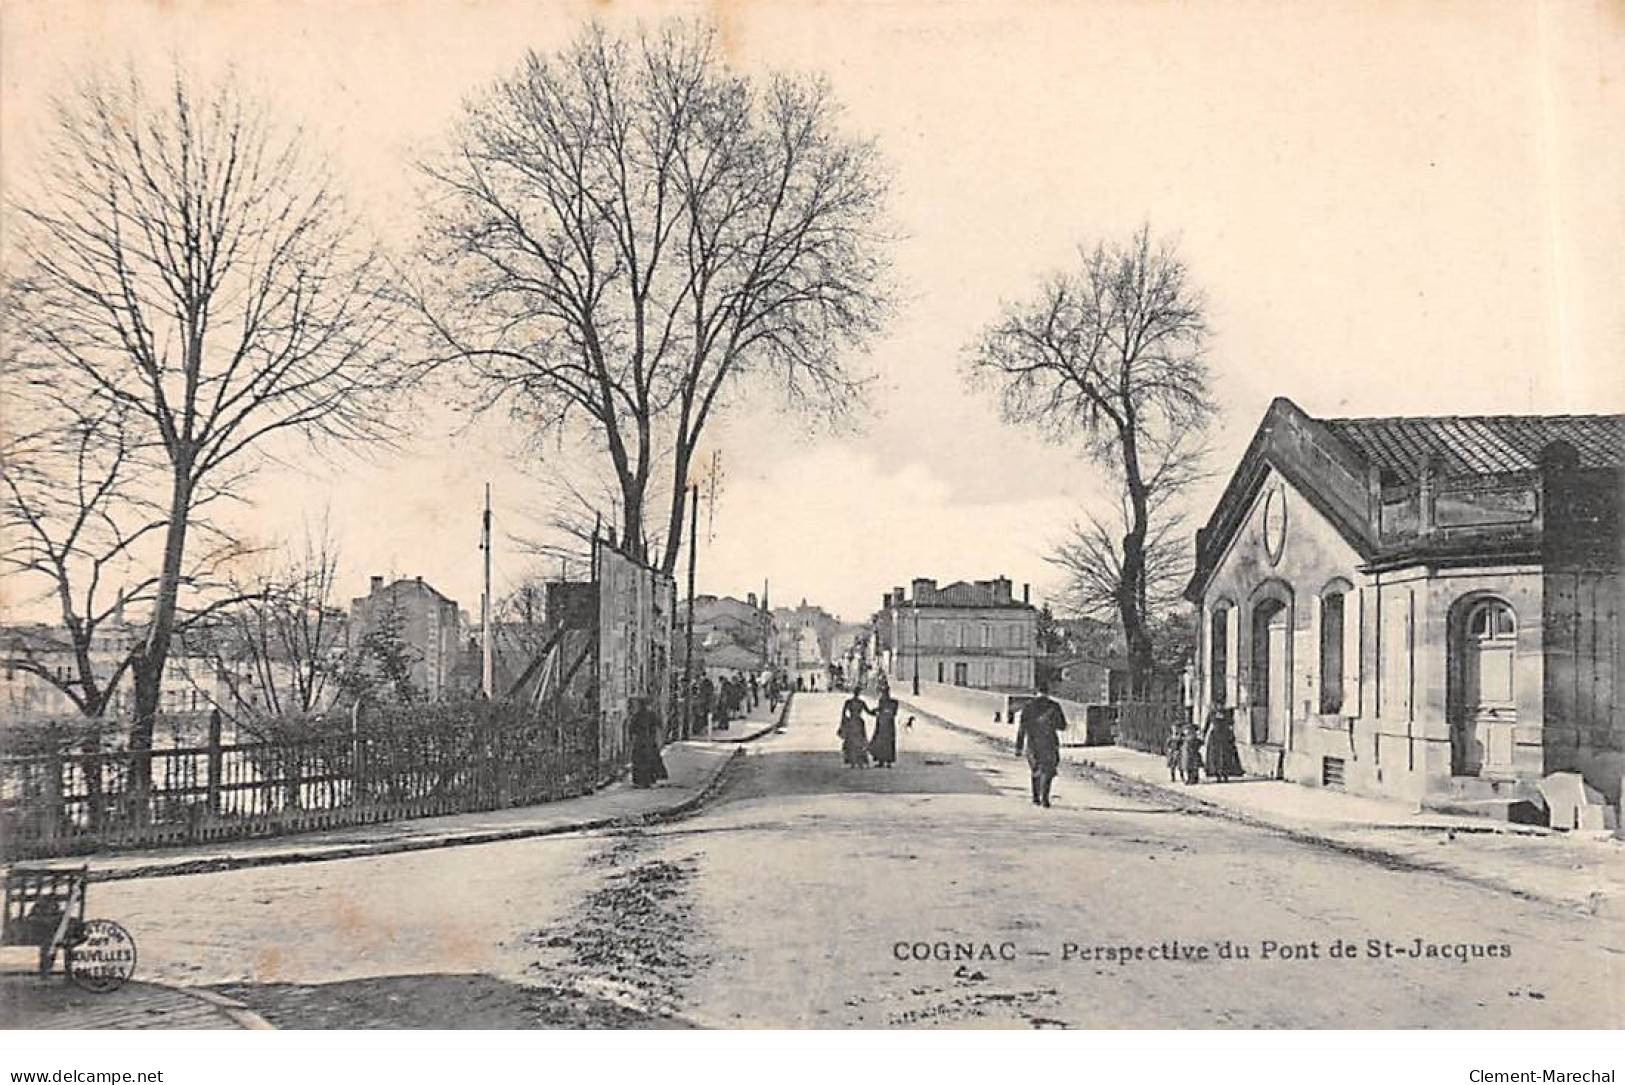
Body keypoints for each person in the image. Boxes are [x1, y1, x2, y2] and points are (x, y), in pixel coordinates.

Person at [1014, 683, 1068, 807]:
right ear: (1048, 693)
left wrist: (1018, 747)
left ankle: (1035, 797)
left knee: (1036, 769)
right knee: (1048, 770)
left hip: (1032, 743)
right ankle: (1045, 798)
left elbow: (1022, 728)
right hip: (1049, 742)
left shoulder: (1028, 706)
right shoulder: (1054, 706)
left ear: (1035, 692)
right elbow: (1062, 726)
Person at [629, 696, 669, 788]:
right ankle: (649, 779)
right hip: (649, 740)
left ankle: (640, 781)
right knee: (650, 760)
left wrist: (633, 738)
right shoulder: (651, 714)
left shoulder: (637, 715)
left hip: (641, 741)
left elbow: (631, 729)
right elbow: (660, 725)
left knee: (641, 761)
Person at [1202, 706, 1244, 783]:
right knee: (1215, 757)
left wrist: (1232, 735)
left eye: (1221, 704)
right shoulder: (1211, 713)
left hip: (1225, 737)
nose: (1219, 706)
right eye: (1217, 704)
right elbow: (1206, 725)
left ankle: (1226, 775)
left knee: (1226, 757)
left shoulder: (1228, 713)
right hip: (1215, 738)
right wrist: (1203, 736)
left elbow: (1231, 724)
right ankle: (1217, 775)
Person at [838, 691, 873, 768]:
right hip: (859, 722)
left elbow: (843, 713)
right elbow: (869, 712)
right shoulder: (861, 702)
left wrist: (844, 722)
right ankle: (860, 761)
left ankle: (852, 761)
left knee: (851, 742)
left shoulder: (848, 702)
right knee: (859, 742)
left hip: (851, 722)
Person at [869, 691, 900, 768]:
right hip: (882, 724)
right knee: (881, 742)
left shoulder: (893, 702)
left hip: (888, 725)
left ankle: (888, 761)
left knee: (888, 742)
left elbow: (894, 713)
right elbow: (879, 710)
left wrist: (882, 712)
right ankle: (881, 761)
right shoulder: (883, 702)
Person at [1181, 720, 1204, 785]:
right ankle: (1190, 779)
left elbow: (1200, 743)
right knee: (1189, 768)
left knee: (1194, 768)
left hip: (1193, 755)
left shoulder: (1194, 739)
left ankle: (1193, 779)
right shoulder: (1186, 739)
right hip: (1187, 755)